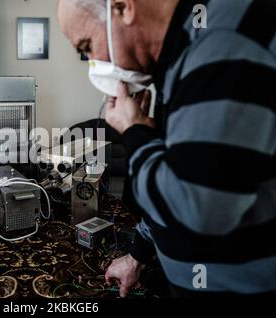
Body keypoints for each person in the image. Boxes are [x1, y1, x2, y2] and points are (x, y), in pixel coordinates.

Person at [57, 0, 276, 297]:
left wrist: (134, 132)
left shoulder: (221, 44)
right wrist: (137, 256)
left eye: (88, 45)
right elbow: (175, 173)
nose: (93, 63)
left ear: (123, 7)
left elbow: (194, 211)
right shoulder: (182, 56)